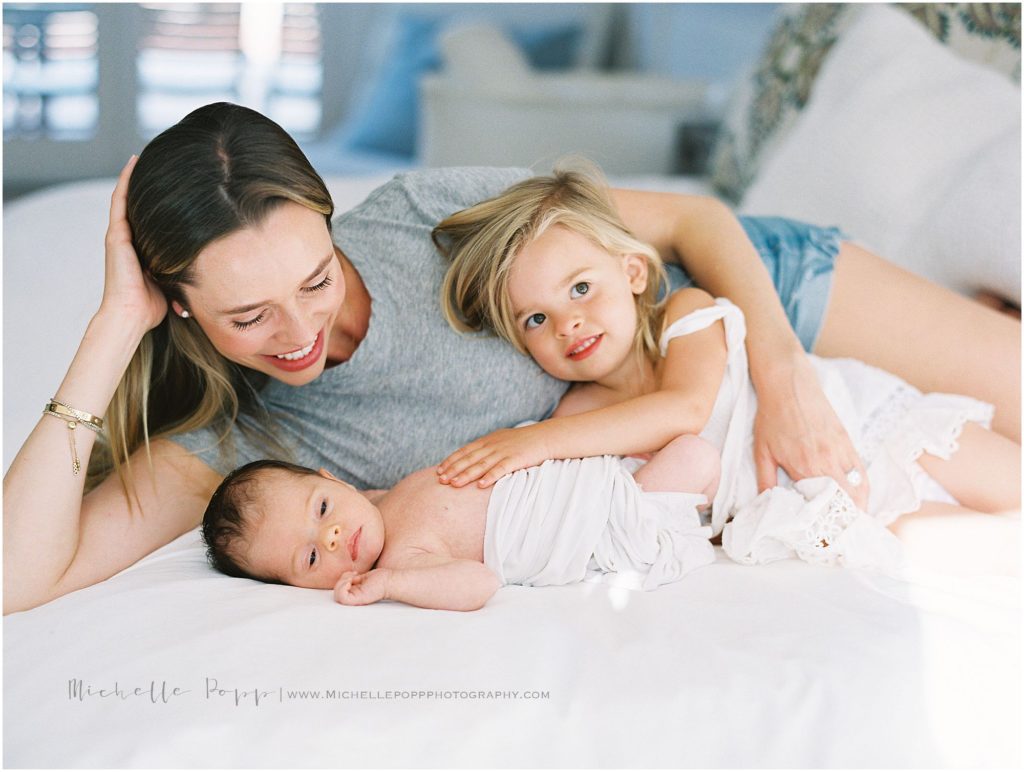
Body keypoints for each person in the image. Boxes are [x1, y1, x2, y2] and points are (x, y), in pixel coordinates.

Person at [3, 102, 1019, 614]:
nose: (301, 333)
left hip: (752, 301)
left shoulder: (412, 212)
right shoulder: (246, 438)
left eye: (315, 279)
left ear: (326, 213)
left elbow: (695, 222)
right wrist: (113, 325)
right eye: (246, 317)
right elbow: (20, 577)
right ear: (180, 308)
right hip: (712, 431)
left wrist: (785, 364)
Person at [432, 169, 1021, 542]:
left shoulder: (685, 313)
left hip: (865, 425)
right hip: (823, 512)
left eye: (580, 289)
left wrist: (532, 442)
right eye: (536, 319)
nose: (568, 322)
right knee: (982, 555)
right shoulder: (576, 415)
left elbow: (686, 408)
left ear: (634, 272)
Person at [201, 449, 720, 611]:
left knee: (681, 446)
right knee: (698, 457)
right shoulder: (403, 560)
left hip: (584, 477)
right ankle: (727, 513)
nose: (332, 536)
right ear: (299, 588)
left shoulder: (384, 497)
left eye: (321, 509)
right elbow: (479, 583)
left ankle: (719, 506)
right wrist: (390, 585)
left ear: (332, 479)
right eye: (311, 559)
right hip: (599, 522)